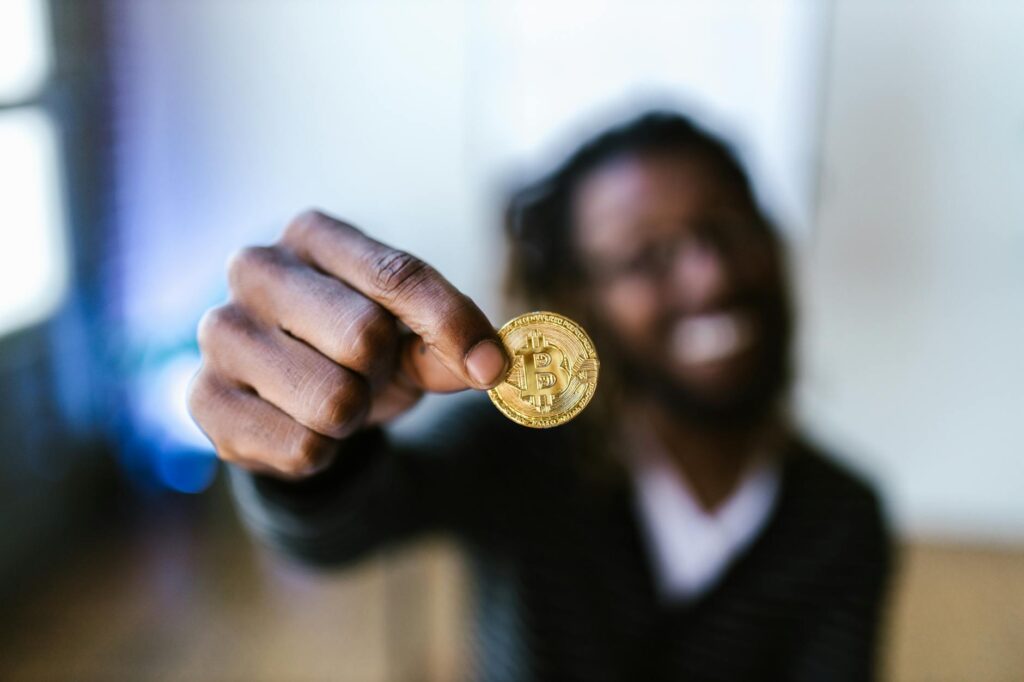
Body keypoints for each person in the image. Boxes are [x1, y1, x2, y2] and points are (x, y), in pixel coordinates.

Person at [188, 111, 892, 681]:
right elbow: (337, 530)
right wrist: (313, 436)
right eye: (646, 256)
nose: (711, 276)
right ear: (580, 299)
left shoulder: (843, 516)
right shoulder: (513, 451)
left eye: (729, 230)